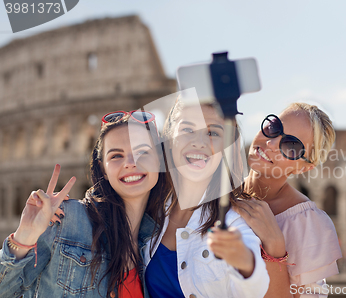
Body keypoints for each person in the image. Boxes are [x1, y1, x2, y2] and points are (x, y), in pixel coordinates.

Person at [0, 112, 168, 298]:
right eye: (116, 156)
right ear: (103, 169)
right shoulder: (65, 221)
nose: (130, 163)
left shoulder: (160, 241)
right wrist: (24, 237)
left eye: (142, 152)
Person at [144, 101, 269, 298]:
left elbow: (255, 287)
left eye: (213, 133)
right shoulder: (149, 209)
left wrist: (245, 262)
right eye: (187, 129)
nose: (199, 142)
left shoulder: (234, 219)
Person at [235, 103, 342, 298]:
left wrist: (274, 248)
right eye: (273, 127)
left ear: (304, 167)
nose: (271, 143)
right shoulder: (218, 194)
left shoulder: (307, 224)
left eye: (291, 146)